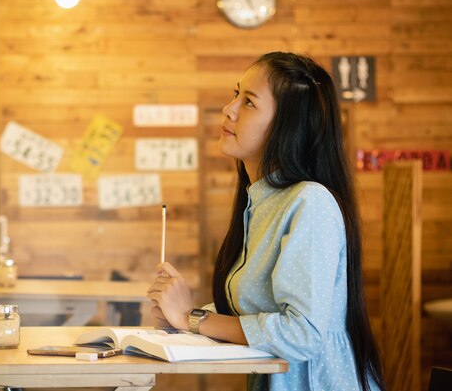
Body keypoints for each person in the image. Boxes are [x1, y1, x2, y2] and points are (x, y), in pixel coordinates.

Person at [147, 52, 386, 391]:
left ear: (287, 125)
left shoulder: (310, 201)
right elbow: (259, 311)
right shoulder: (260, 201)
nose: (229, 109)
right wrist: (181, 317)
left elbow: (302, 333)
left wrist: (194, 318)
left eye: (249, 102)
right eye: (235, 94)